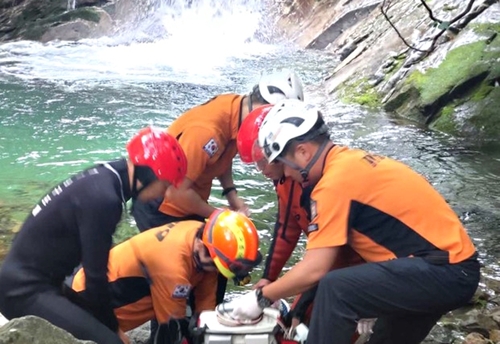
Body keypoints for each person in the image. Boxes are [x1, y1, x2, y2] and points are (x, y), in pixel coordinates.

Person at [221, 99, 480, 344]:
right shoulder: (348, 162)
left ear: (302, 151)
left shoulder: (333, 184)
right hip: (441, 268)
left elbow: (317, 269)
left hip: (445, 271)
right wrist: (370, 295)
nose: (286, 174)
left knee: (337, 289)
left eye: (284, 164)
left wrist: (261, 298)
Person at [131, 69, 305, 310]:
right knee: (176, 273)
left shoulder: (237, 111)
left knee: (218, 262)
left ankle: (206, 321)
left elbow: (223, 156)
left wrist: (231, 195)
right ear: (262, 107)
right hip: (161, 203)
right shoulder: (207, 130)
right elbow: (176, 192)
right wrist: (218, 214)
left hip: (187, 197)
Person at [0, 127, 187, 344]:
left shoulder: (107, 177)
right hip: (23, 289)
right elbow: (95, 277)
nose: (163, 194)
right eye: (164, 185)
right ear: (146, 176)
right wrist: (115, 331)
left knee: (99, 325)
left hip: (40, 280)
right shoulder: (106, 200)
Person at [237, 104, 365, 330]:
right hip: (332, 261)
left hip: (358, 267)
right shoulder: (287, 181)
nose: (262, 170)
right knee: (296, 318)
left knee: (313, 320)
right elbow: (287, 229)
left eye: (263, 162)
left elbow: (327, 261)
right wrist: (268, 278)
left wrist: (268, 296)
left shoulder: (317, 182)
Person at [69, 209, 262, 342]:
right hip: (91, 298)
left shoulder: (201, 234)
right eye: (216, 267)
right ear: (204, 248)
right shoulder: (174, 268)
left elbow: (205, 301)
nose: (216, 272)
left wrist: (208, 326)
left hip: (105, 280)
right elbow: (170, 327)